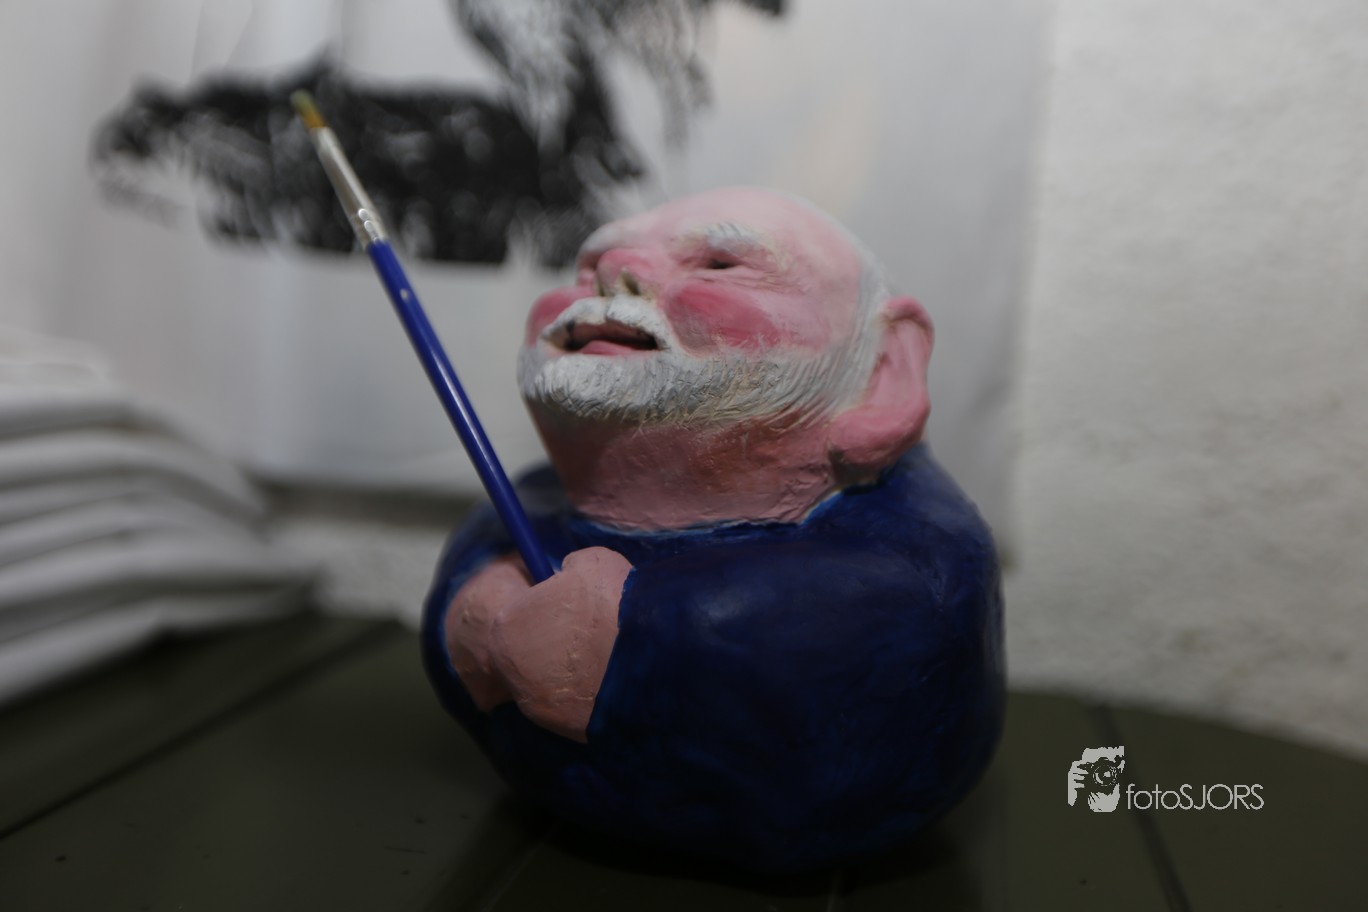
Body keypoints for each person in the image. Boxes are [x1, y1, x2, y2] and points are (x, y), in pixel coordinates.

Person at [421, 187, 1003, 872]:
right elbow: (486, 552)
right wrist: (471, 601)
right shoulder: (535, 497)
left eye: (720, 265)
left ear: (883, 367)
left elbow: (875, 621)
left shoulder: (915, 547)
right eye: (588, 266)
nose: (616, 273)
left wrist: (629, 638)